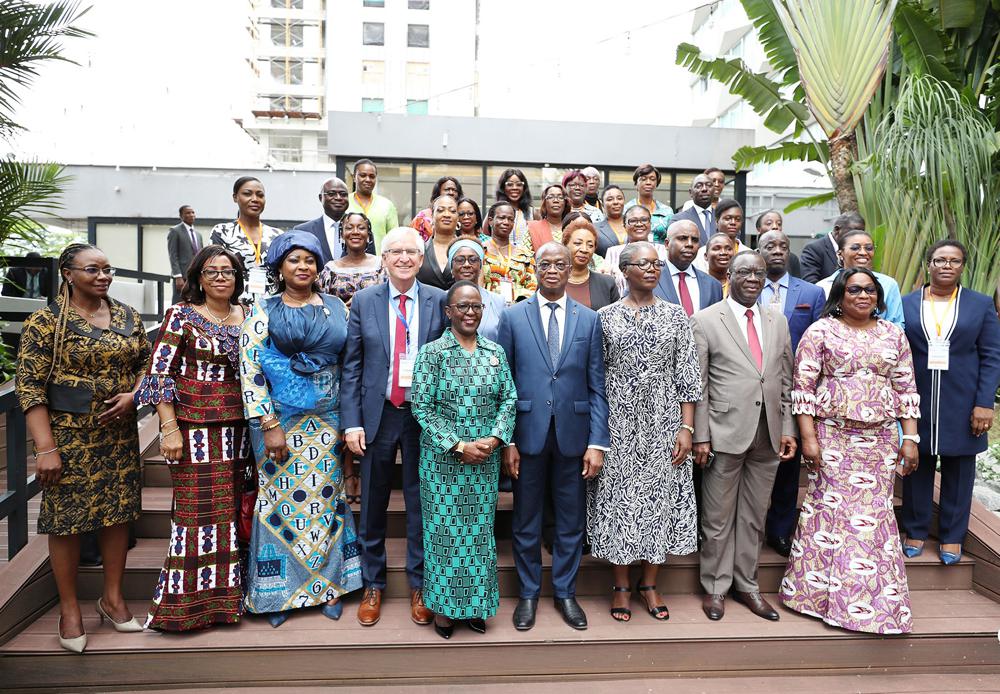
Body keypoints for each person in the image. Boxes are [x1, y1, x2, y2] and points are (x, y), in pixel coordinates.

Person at [15, 243, 150, 652]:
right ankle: (69, 609)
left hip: (118, 433)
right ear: (68, 274)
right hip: (69, 437)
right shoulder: (46, 322)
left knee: (117, 514)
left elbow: (149, 363)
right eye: (93, 269)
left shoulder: (126, 314)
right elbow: (30, 387)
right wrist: (45, 448)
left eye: (108, 268)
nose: (104, 276)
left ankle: (112, 598)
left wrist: (135, 395)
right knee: (65, 522)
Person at [781, 268, 920, 634]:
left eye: (870, 290)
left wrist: (911, 438)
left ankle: (876, 602)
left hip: (880, 441)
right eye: (855, 289)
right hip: (833, 436)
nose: (863, 295)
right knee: (829, 513)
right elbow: (803, 390)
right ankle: (811, 596)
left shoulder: (894, 334)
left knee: (873, 516)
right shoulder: (821, 331)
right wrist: (808, 438)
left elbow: (907, 389)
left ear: (879, 296)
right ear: (841, 294)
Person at [240, 231, 362, 627]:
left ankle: (328, 589)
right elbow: (251, 370)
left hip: (328, 420)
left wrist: (349, 418)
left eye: (310, 260)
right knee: (278, 505)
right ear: (279, 266)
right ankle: (277, 597)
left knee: (327, 502)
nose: (303, 267)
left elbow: (348, 366)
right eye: (294, 260)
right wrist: (269, 423)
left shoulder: (336, 308)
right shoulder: (262, 309)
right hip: (279, 423)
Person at [135, 245, 249, 631]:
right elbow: (160, 375)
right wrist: (169, 429)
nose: (221, 277)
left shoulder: (247, 316)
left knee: (233, 516)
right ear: (198, 277)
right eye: (212, 271)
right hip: (195, 432)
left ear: (238, 278)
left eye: (228, 271)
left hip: (242, 433)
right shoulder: (181, 316)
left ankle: (229, 602)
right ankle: (185, 609)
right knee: (197, 517)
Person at [497, 242, 610, 632]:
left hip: (573, 437)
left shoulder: (590, 319)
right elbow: (504, 384)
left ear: (569, 270)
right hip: (526, 437)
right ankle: (528, 594)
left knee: (570, 522)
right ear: (535, 268)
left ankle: (565, 592)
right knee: (526, 520)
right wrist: (507, 441)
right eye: (545, 264)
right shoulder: (513, 318)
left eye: (560, 264)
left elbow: (597, 385)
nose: (552, 270)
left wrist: (597, 442)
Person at [588, 242, 701, 623]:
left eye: (657, 264)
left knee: (659, 501)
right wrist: (598, 434)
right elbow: (596, 378)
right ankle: (621, 584)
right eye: (644, 264)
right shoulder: (603, 317)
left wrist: (686, 426)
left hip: (663, 423)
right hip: (618, 424)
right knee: (619, 500)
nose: (653, 270)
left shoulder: (675, 316)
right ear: (624, 269)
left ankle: (650, 583)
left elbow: (687, 373)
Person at [341, 227, 447, 627]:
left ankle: (420, 584)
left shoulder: (439, 301)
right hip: (378, 414)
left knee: (423, 503)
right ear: (382, 259)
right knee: (372, 504)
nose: (404, 257)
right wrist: (351, 422)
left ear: (421, 260)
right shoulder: (365, 301)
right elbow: (351, 368)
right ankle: (373, 584)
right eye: (395, 251)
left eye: (411, 252)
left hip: (425, 417)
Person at [691, 251, 796, 623]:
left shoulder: (778, 320)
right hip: (723, 433)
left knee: (754, 515)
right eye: (745, 271)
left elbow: (785, 380)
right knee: (718, 517)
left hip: (767, 433)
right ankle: (716, 587)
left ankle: (747, 584)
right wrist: (700, 436)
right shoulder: (704, 320)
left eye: (760, 273)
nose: (753, 278)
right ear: (729, 276)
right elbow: (698, 385)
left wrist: (787, 429)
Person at [410, 280, 518, 639]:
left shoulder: (494, 352)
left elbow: (508, 399)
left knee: (477, 536)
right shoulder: (432, 353)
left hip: (485, 460)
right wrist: (458, 445)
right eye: (462, 307)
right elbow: (422, 408)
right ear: (448, 311)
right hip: (443, 463)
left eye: (476, 306)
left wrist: (496, 438)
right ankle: (443, 609)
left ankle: (476, 606)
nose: (470, 312)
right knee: (444, 535)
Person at [901, 240, 1000, 564]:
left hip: (963, 400)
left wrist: (985, 403)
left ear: (962, 267)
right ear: (928, 265)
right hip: (919, 398)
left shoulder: (980, 305)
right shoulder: (907, 303)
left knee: (960, 469)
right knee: (917, 464)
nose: (946, 266)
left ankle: (952, 537)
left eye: (954, 261)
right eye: (940, 260)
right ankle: (915, 530)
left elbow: (991, 356)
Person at [756, 229, 826, 558]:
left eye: (784, 246)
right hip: (753, 386)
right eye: (770, 246)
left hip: (794, 390)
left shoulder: (810, 293)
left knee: (787, 464)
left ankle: (780, 530)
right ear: (759, 251)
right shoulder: (748, 287)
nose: (778, 251)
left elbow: (819, 342)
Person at [210, 176, 283, 304]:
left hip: (273, 306)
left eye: (260, 195)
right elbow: (215, 272)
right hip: (234, 306)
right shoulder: (222, 232)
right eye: (247, 194)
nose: (255, 199)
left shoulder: (277, 235)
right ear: (235, 197)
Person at [817, 228, 905, 328]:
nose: (863, 252)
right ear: (840, 254)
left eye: (869, 248)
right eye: (855, 248)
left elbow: (897, 324)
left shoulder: (888, 284)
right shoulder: (822, 287)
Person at [293, 177, 374, 264]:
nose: (338, 198)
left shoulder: (362, 231)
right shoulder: (303, 231)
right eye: (331, 194)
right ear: (321, 198)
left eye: (343, 194)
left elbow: (372, 265)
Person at [653, 219, 724, 314]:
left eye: (694, 240)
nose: (690, 244)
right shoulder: (649, 279)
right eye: (683, 238)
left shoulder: (713, 286)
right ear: (667, 244)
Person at [318, 211, 384, 307]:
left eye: (361, 228)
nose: (355, 232)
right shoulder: (330, 269)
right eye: (349, 228)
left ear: (368, 235)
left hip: (374, 320)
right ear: (342, 234)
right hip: (340, 320)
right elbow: (321, 303)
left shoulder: (381, 265)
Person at [447, 237, 505, 342]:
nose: (467, 265)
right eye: (460, 260)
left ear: (480, 267)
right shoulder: (440, 299)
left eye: (473, 260)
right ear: (451, 267)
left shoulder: (498, 302)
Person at [602, 205, 668, 296]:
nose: (639, 224)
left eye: (644, 220)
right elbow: (607, 284)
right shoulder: (613, 252)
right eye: (633, 221)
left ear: (650, 224)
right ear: (624, 225)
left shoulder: (663, 251)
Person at [482, 201, 537, 304]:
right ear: (490, 221)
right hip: (487, 309)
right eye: (501, 218)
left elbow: (532, 286)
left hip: (518, 310)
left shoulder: (525, 254)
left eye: (510, 219)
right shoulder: (480, 251)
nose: (506, 222)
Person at [563, 213, 619, 311]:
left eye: (590, 245)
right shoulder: (552, 280)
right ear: (565, 244)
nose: (584, 249)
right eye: (578, 243)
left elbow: (616, 319)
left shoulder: (607, 283)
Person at [348, 159, 399, 252]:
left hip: (379, 263)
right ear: (354, 177)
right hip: (349, 262)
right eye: (363, 175)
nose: (368, 179)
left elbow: (394, 239)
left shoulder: (387, 205)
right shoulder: (345, 203)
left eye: (372, 176)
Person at [799, 212, 864, 284]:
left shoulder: (862, 251)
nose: (858, 237)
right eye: (853, 233)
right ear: (837, 230)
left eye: (861, 233)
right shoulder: (814, 249)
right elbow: (810, 284)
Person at [415, 194, 459, 290]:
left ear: (458, 218)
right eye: (440, 210)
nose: (447, 214)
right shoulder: (418, 249)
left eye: (452, 211)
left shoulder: (466, 249)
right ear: (432, 216)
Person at [693, 199, 750, 271]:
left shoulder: (748, 253)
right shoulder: (701, 254)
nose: (733, 222)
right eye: (728, 218)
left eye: (737, 219)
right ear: (717, 222)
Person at [624, 164, 673, 244]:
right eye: (643, 179)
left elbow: (671, 237)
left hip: (660, 253)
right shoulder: (626, 209)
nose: (648, 182)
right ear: (636, 183)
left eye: (652, 179)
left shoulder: (667, 211)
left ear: (656, 184)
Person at [167, 205, 204, 303]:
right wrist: (178, 277)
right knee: (179, 302)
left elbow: (202, 256)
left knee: (195, 302)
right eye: (188, 213)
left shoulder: (198, 234)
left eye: (193, 212)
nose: (191, 215)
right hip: (182, 276)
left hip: (196, 276)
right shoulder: (175, 231)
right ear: (181, 216)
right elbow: (173, 255)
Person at [411, 176, 463, 242]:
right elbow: (412, 240)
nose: (451, 192)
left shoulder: (462, 215)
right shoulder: (422, 217)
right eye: (447, 189)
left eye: (454, 190)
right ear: (438, 192)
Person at [669, 174, 716, 246]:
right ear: (690, 192)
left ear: (714, 190)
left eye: (709, 185)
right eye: (699, 186)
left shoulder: (722, 218)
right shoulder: (678, 219)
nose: (704, 189)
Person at [753, 209, 801, 278]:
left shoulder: (792, 259)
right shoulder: (750, 257)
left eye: (779, 224)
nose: (775, 226)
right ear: (759, 229)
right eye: (769, 223)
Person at [495, 168, 535, 247]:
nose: (514, 188)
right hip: (500, 257)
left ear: (524, 188)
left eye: (519, 184)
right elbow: (486, 236)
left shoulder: (533, 213)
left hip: (526, 258)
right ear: (503, 188)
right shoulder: (494, 211)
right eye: (510, 184)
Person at [527, 183, 569, 250]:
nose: (555, 201)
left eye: (560, 197)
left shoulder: (572, 228)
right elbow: (523, 255)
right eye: (551, 197)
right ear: (544, 202)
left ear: (565, 203)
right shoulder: (532, 228)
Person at [594, 185, 628, 257]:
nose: (615, 202)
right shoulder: (594, 229)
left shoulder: (635, 225)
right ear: (602, 204)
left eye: (619, 198)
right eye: (610, 199)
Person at [703, 232, 734, 297]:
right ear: (706, 256)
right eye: (717, 249)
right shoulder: (698, 283)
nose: (723, 252)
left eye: (728, 249)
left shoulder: (738, 285)